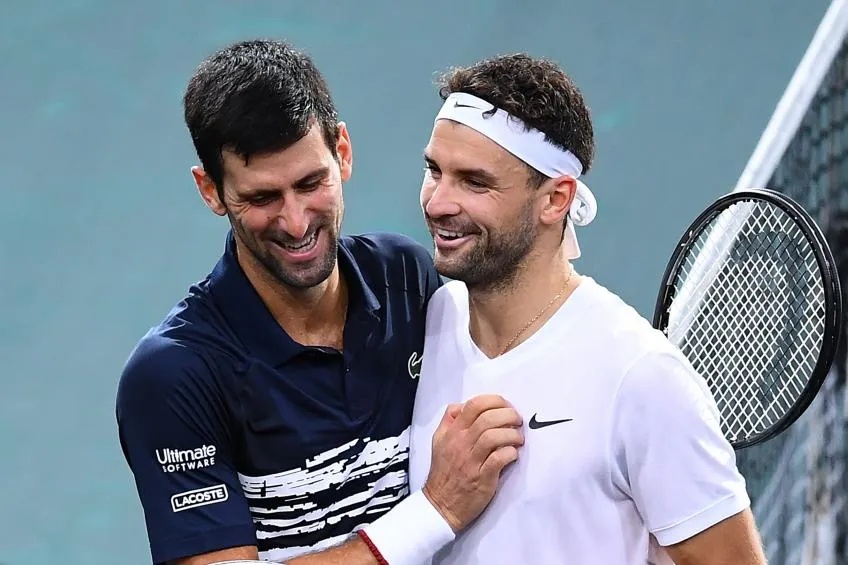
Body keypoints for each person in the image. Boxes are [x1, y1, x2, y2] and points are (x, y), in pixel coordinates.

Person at [115, 39, 525, 565]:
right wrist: (435, 511)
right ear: (210, 190)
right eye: (262, 198)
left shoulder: (406, 276)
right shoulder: (174, 375)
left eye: (311, 183)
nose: (295, 222)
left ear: (343, 151)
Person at [408, 53, 768, 565]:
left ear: (556, 199)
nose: (438, 202)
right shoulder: (427, 322)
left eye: (475, 182)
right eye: (434, 170)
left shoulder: (642, 379)